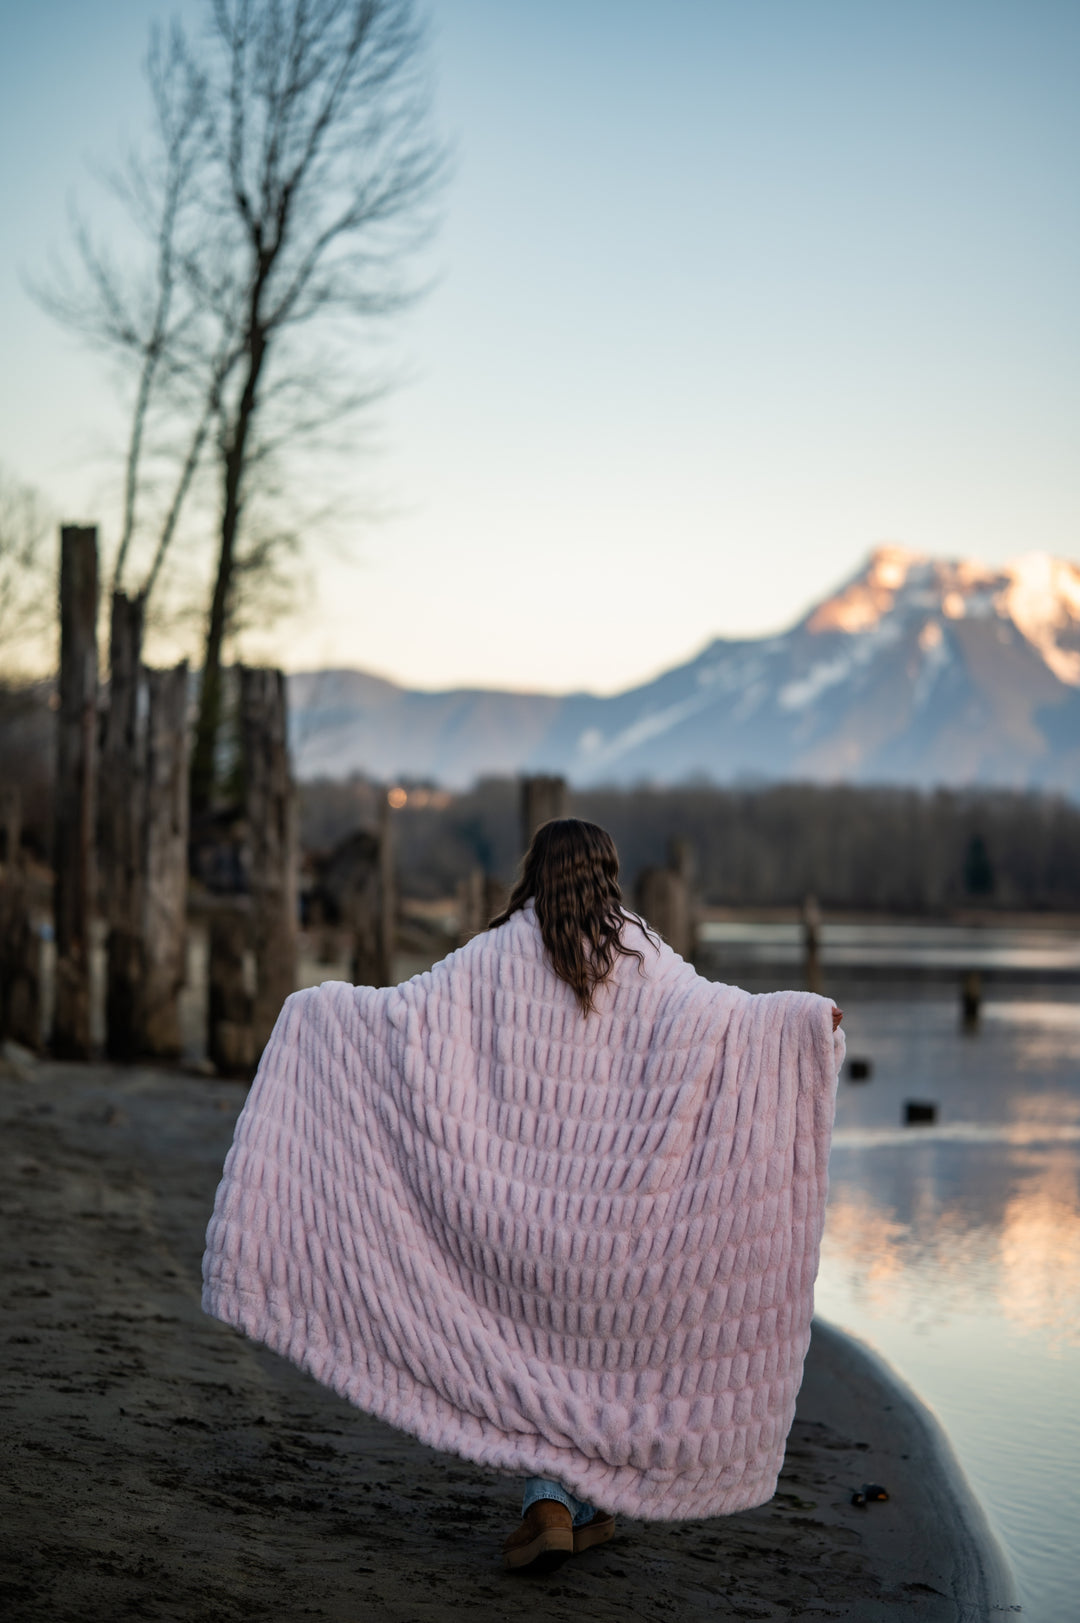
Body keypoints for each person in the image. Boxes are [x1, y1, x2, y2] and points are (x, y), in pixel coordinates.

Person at [203, 818, 844, 1572]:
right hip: (615, 1235)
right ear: (606, 874)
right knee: (583, 1355)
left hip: (513, 1232)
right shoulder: (640, 954)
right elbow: (729, 1021)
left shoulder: (497, 949)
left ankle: (552, 1504)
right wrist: (807, 1020)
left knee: (533, 1354)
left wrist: (317, 1012)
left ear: (535, 872)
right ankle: (568, 1500)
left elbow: (405, 1024)